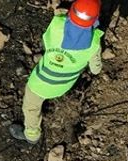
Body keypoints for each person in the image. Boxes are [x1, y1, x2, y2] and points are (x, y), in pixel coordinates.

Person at [10, 0, 104, 144]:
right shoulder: (94, 44)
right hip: (63, 86)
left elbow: (46, 41)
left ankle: (32, 135)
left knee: (31, 108)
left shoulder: (57, 26)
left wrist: (60, 12)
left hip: (39, 83)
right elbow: (95, 69)